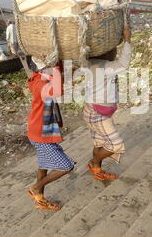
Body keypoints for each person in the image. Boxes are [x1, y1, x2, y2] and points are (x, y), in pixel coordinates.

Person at [83, 25, 132, 180]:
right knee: (115, 145)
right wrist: (127, 40)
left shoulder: (89, 63)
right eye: (113, 50)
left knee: (99, 142)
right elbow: (124, 64)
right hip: (99, 114)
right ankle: (94, 162)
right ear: (107, 52)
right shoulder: (106, 66)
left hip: (91, 110)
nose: (115, 53)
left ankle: (97, 169)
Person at [26, 58, 74, 211]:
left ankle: (39, 199)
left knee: (43, 166)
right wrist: (55, 67)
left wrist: (58, 63)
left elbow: (58, 77)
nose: (54, 69)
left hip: (38, 130)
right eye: (50, 67)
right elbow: (58, 90)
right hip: (41, 134)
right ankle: (36, 187)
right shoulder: (41, 85)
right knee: (66, 166)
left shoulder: (39, 78)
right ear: (43, 69)